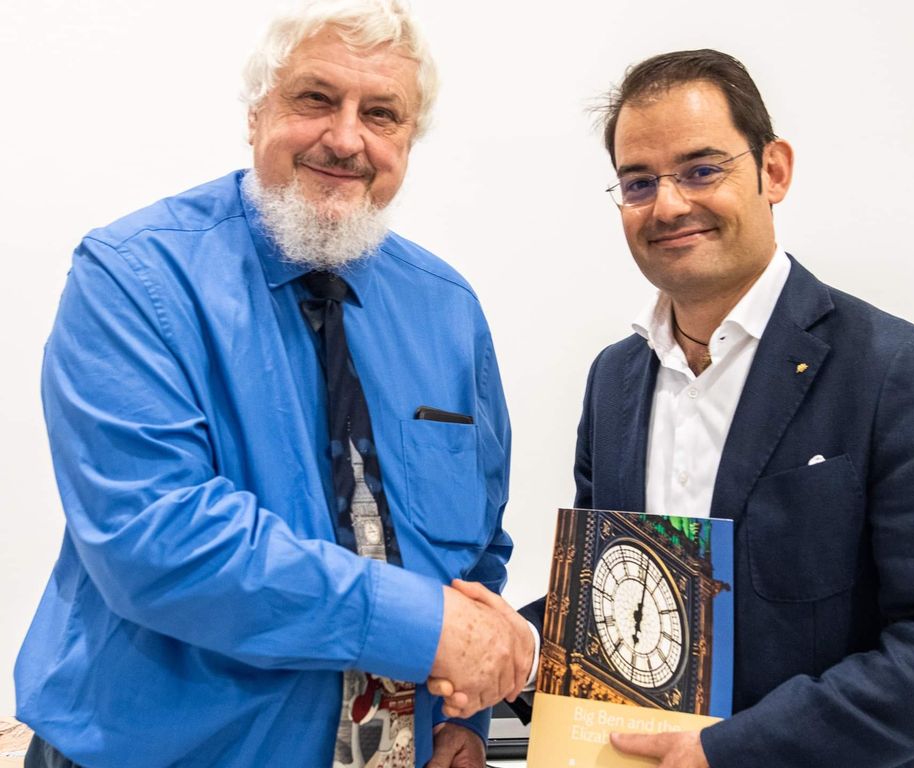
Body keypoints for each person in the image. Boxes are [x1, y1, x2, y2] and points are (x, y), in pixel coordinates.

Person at [436, 49, 914, 767]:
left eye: (701, 170)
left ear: (774, 171)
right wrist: (516, 650)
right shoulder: (614, 382)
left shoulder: (892, 369)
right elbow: (617, 612)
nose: (668, 205)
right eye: (639, 182)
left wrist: (731, 751)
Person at [14, 2, 534, 767]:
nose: (346, 139)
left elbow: (477, 545)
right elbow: (159, 541)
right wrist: (425, 628)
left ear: (407, 140)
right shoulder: (133, 279)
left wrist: (464, 715)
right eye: (316, 98)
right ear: (257, 112)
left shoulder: (449, 309)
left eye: (381, 114)